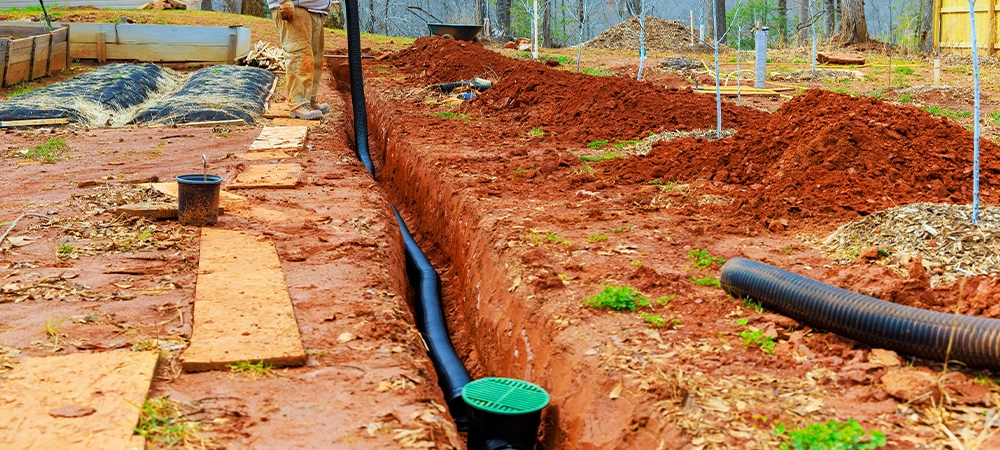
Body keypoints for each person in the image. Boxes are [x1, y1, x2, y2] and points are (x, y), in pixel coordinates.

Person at [267, 0, 332, 120]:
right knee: (299, 56)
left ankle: (309, 100)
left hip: (314, 10)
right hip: (295, 7)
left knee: (314, 59)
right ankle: (298, 103)